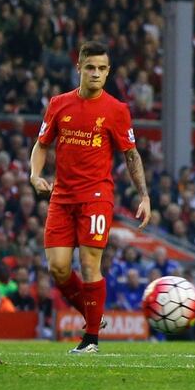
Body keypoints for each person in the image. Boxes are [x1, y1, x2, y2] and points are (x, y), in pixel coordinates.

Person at [30, 40, 151, 353]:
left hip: (97, 195)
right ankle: (92, 313)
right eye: (90, 68)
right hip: (62, 195)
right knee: (57, 267)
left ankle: (91, 339)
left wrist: (144, 195)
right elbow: (42, 144)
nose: (96, 74)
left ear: (108, 72)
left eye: (101, 69)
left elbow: (131, 154)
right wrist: (34, 174)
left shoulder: (117, 110)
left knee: (88, 262)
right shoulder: (58, 104)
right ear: (79, 69)